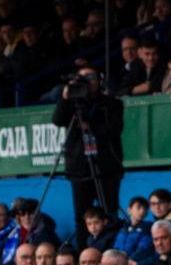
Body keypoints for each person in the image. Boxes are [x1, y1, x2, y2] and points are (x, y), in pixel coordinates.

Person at [53, 67, 124, 243]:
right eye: (82, 78)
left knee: (109, 213)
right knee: (81, 216)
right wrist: (65, 98)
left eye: (90, 77)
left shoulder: (112, 104)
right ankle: (83, 253)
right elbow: (58, 120)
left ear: (99, 80)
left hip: (106, 166)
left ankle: (109, 250)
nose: (87, 82)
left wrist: (90, 127)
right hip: (79, 167)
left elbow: (114, 129)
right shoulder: (72, 103)